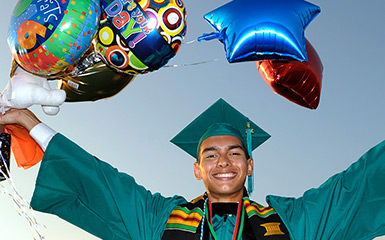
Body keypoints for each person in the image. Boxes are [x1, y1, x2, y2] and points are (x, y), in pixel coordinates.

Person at [1, 99, 385, 240]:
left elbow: (358, 187)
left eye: (235, 154)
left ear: (249, 165)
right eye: (211, 155)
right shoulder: (160, 220)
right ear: (197, 169)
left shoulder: (293, 221)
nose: (223, 163)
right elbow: (102, 182)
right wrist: (31, 123)